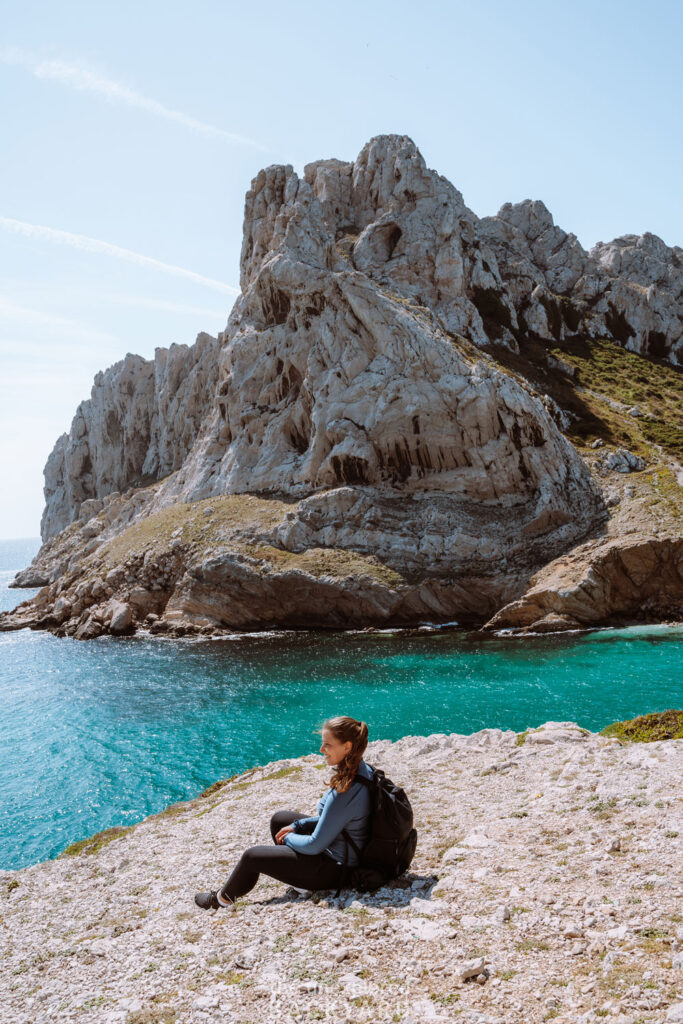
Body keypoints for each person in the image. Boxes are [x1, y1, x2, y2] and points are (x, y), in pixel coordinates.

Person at [194, 716, 372, 909]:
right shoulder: (362, 770)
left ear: (347, 747)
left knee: (252, 857)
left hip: (338, 869)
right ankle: (301, 881)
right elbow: (334, 819)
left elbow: (314, 845)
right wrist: (296, 826)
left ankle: (221, 900)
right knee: (281, 820)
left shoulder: (345, 792)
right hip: (348, 849)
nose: (321, 750)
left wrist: (288, 838)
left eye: (327, 744)